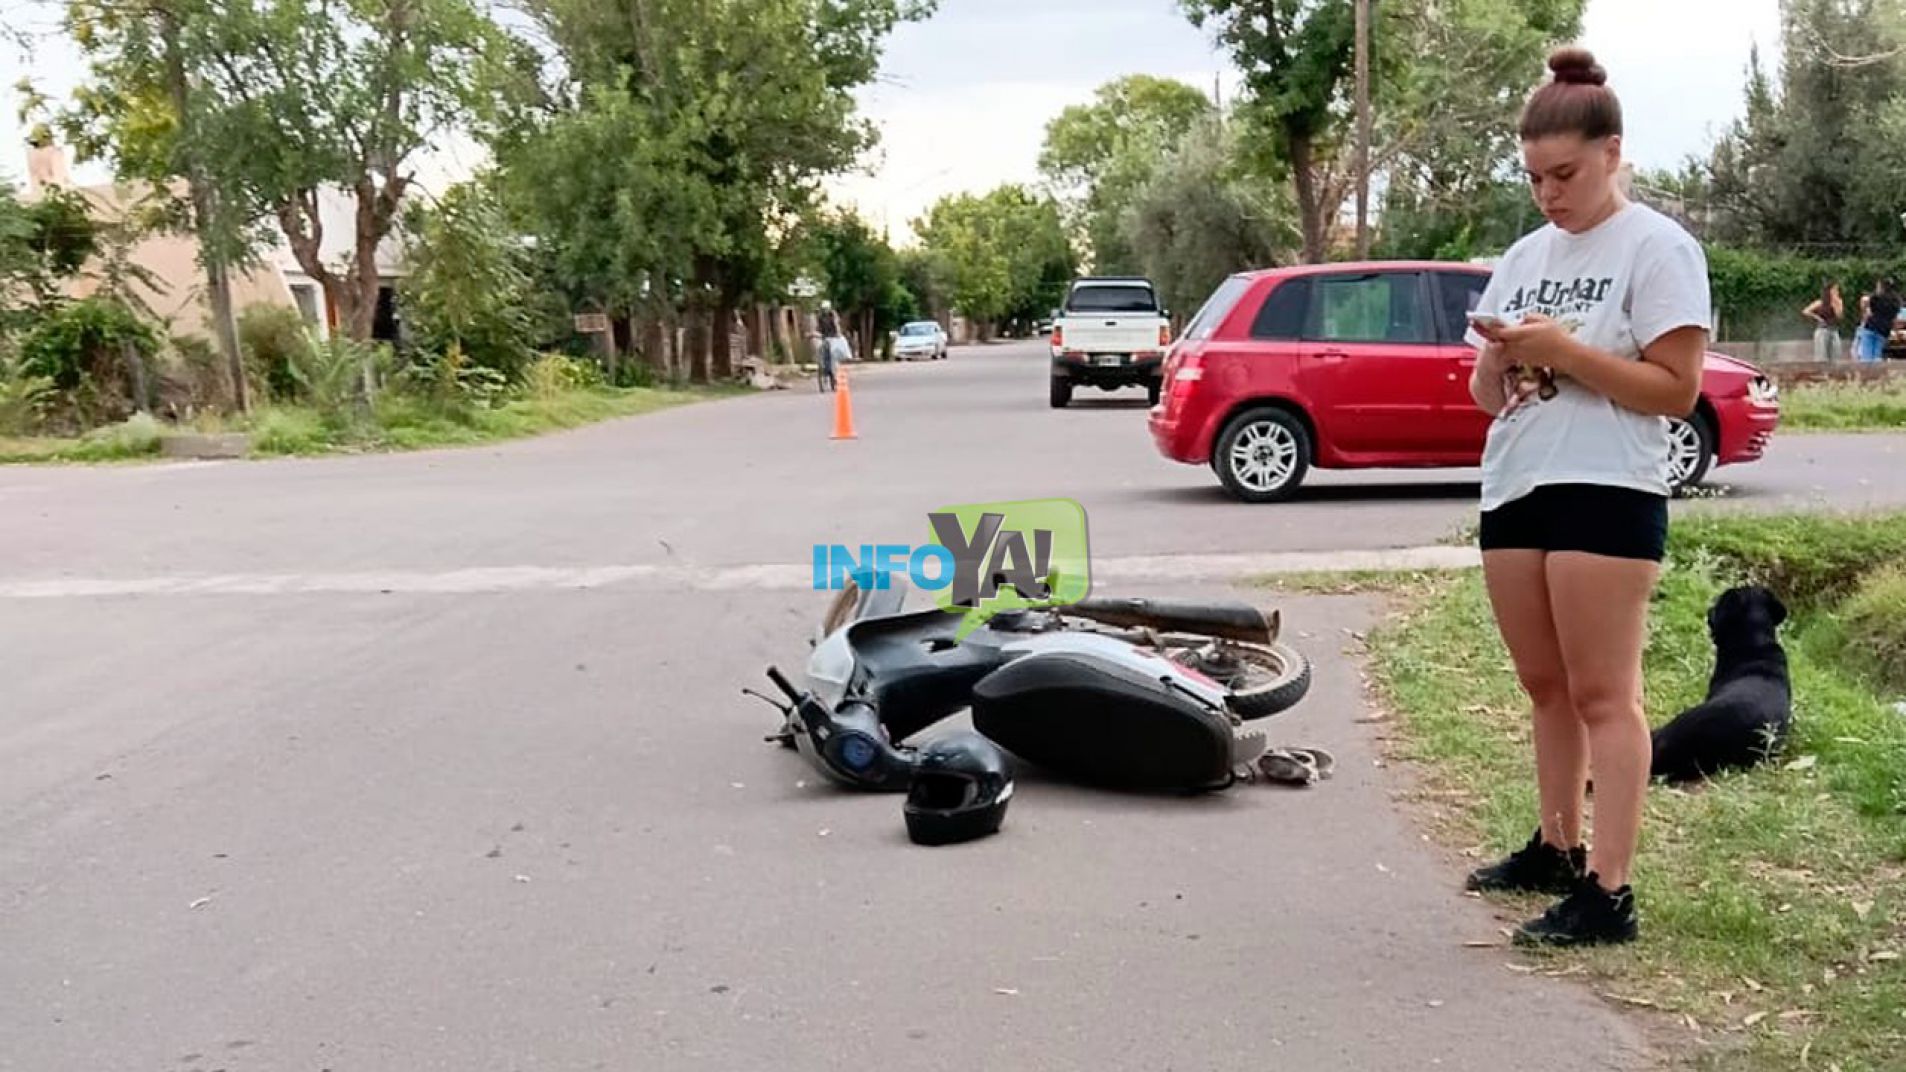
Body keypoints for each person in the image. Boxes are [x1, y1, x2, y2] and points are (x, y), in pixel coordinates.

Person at [1462, 46, 1713, 947]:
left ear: (1613, 152)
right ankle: (1556, 849)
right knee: (1545, 686)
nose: (1548, 194)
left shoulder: (1658, 247)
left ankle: (1610, 893)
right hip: (1519, 480)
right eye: (1533, 177)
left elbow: (1677, 389)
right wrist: (1501, 355)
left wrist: (1565, 352)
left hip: (1608, 484)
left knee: (1606, 692)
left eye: (1563, 174)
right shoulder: (1525, 255)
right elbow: (1485, 399)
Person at [1853, 278, 1899, 362]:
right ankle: (1876, 372)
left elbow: (1871, 310)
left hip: (1871, 326)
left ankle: (1866, 372)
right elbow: (1894, 317)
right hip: (1884, 330)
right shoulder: (1896, 301)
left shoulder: (1876, 297)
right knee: (1877, 354)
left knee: (1866, 354)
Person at [1803, 281, 1844, 363]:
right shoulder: (1821, 302)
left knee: (1836, 355)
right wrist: (1817, 317)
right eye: (1834, 290)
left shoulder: (1838, 302)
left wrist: (1836, 303)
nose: (1837, 292)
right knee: (1821, 356)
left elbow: (1839, 316)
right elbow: (1806, 311)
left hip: (1834, 330)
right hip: (1822, 330)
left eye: (1837, 290)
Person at [816, 301, 841, 392]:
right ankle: (822, 369)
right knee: (821, 351)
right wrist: (817, 333)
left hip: (833, 337)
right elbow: (818, 328)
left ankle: (835, 375)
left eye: (826, 309)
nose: (825, 311)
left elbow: (837, 325)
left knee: (834, 357)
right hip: (824, 337)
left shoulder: (833, 315)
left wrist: (838, 334)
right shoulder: (820, 317)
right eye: (824, 309)